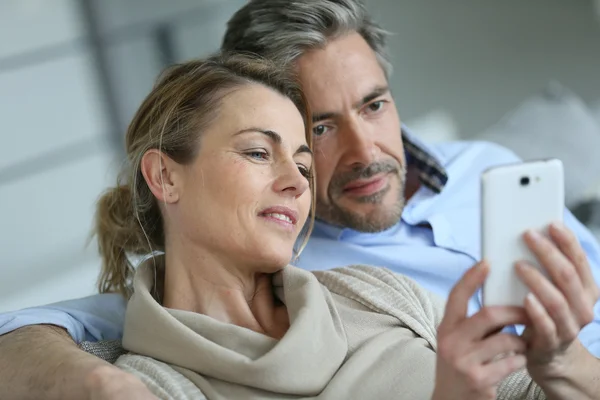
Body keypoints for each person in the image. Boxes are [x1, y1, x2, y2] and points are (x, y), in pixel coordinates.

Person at [1, 0, 599, 398]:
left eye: (374, 104)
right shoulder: (163, 366)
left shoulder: (384, 282)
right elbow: (54, 326)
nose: (298, 179)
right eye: (266, 150)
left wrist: (561, 360)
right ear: (165, 177)